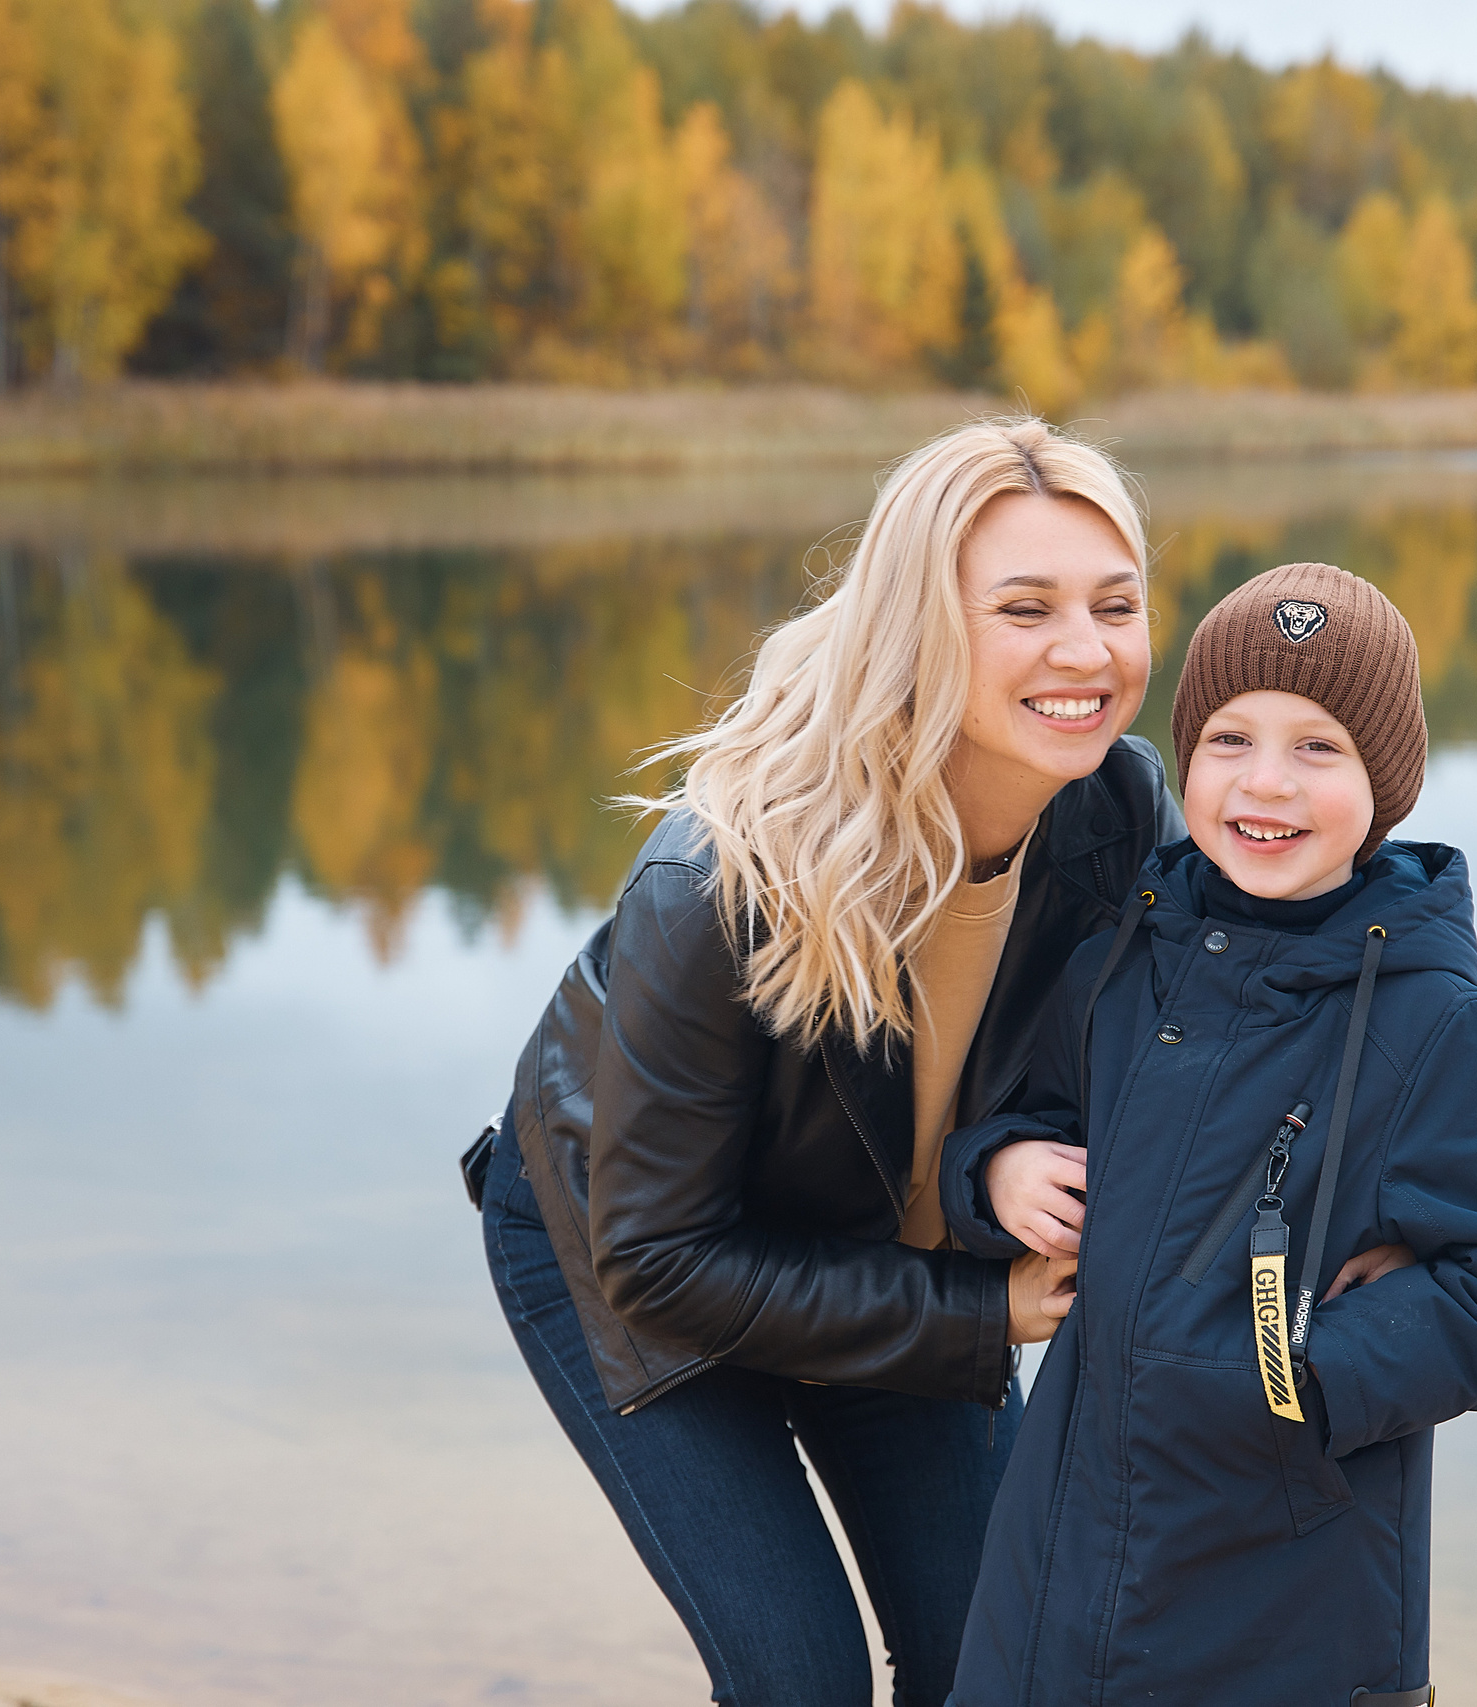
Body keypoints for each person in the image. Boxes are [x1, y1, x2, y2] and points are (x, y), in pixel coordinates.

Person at [471, 418, 1184, 1707]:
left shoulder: (1119, 812)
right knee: (799, 1677)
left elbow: (1193, 1050)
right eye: (1025, 609)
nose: (1086, 652)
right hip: (637, 1259)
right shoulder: (719, 883)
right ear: (920, 625)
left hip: (887, 1245)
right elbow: (661, 1260)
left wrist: (1386, 1207)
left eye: (1114, 605)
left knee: (1001, 1661)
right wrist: (985, 1314)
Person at [937, 561, 1477, 1706]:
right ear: (1183, 758)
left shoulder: (1432, 1023)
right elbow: (1015, 1111)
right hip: (1060, 1557)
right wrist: (992, 1169)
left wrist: (1306, 1377)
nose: (1266, 784)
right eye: (1230, 739)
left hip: (1288, 1603)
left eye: (1318, 749)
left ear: (1384, 785)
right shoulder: (1120, 962)